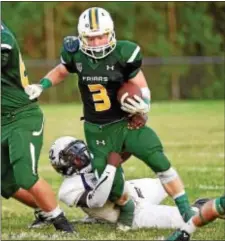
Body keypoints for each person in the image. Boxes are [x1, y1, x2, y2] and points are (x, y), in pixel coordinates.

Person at [24, 7, 195, 229]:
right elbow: (60, 71)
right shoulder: (75, 53)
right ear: (81, 37)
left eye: (101, 36)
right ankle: (127, 208)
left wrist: (143, 109)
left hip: (127, 123)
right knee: (111, 184)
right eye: (91, 38)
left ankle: (185, 208)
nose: (96, 43)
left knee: (157, 157)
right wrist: (42, 85)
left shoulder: (125, 53)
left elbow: (141, 86)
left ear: (111, 33)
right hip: (97, 129)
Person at [30, 136, 198, 230]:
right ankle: (213, 206)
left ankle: (199, 203)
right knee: (189, 217)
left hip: (135, 190)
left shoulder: (94, 158)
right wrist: (110, 167)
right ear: (63, 165)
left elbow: (119, 156)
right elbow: (97, 200)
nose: (82, 154)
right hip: (134, 214)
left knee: (168, 181)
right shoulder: (68, 190)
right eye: (73, 154)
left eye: (80, 148)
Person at [1, 22, 74, 233]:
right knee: (4, 182)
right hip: (2, 120)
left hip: (22, 116)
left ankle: (63, 225)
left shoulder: (3, 38)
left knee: (25, 175)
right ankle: (45, 210)